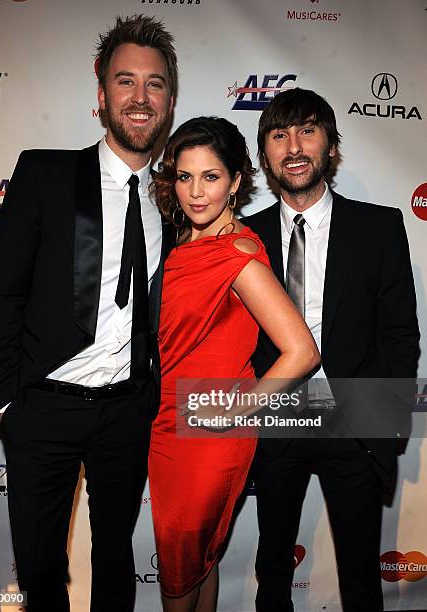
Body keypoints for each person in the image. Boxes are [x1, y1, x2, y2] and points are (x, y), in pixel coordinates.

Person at [0, 14, 177, 612]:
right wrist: (6, 401)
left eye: (155, 84)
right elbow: (3, 292)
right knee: (40, 573)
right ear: (101, 95)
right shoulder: (45, 173)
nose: (140, 98)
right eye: (126, 82)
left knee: (116, 565)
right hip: (44, 406)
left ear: (169, 99)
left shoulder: (175, 196)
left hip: (128, 411)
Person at [243, 88, 420, 612]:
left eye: (308, 130)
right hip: (275, 420)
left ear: (332, 147)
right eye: (279, 135)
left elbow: (399, 334)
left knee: (361, 573)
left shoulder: (379, 227)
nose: (294, 146)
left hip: (352, 422)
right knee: (271, 564)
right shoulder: (242, 238)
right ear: (264, 156)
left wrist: (382, 415)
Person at [148, 116, 320, 612]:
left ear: (236, 182)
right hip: (165, 422)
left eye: (211, 177)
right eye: (185, 177)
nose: (196, 193)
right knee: (197, 562)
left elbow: (302, 351)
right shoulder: (180, 243)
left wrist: (236, 410)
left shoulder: (237, 251)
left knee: (179, 571)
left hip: (205, 430)